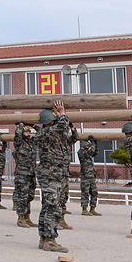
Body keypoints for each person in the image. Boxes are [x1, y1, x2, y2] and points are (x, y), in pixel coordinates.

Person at [35, 101, 74, 252]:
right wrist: (62, 112)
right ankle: (50, 240)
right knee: (53, 207)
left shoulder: (50, 134)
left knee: (48, 206)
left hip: (53, 174)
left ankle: (45, 238)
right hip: (50, 174)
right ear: (50, 122)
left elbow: (64, 131)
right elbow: (63, 125)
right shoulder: (47, 133)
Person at [13, 123, 38, 227]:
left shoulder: (31, 143)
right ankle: (20, 218)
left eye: (29, 131)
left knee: (29, 196)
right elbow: (17, 135)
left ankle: (27, 218)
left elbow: (40, 134)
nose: (28, 133)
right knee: (22, 196)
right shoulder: (19, 143)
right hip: (22, 173)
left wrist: (33, 125)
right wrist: (20, 126)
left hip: (31, 173)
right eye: (25, 131)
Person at [78, 135, 101, 216]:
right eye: (87, 146)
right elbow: (91, 151)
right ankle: (84, 209)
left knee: (94, 193)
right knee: (85, 193)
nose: (88, 147)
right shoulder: (81, 152)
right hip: (85, 177)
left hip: (91, 176)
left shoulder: (88, 152)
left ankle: (92, 209)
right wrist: (92, 143)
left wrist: (95, 143)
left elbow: (95, 152)